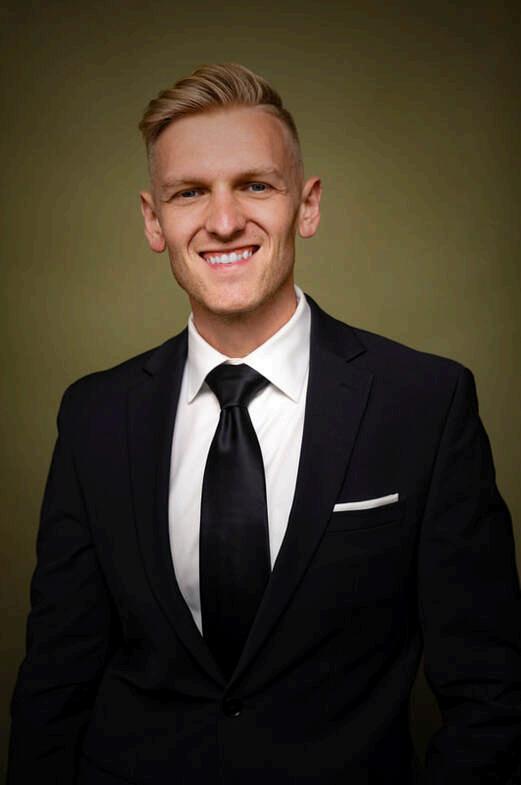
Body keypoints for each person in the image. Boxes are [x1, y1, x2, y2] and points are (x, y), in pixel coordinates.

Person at [7, 63, 521, 785]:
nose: (222, 221)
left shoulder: (425, 404)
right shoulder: (94, 415)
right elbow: (54, 686)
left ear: (306, 205)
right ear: (154, 220)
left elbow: (491, 692)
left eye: (254, 185)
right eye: (190, 192)